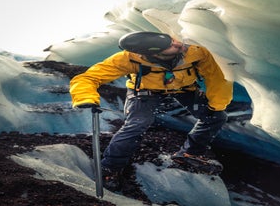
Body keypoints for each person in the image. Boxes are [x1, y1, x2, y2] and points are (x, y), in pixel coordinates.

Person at [70, 31, 233, 189]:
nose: (178, 43)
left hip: (184, 88)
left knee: (216, 116)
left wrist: (216, 105)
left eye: (172, 39)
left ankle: (189, 154)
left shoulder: (196, 53)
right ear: (154, 53)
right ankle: (110, 168)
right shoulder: (129, 59)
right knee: (137, 125)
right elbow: (88, 78)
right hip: (145, 90)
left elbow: (216, 77)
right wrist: (85, 97)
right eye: (171, 45)